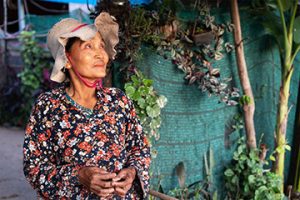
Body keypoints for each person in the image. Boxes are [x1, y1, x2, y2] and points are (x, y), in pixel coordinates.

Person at [23, 12, 151, 199]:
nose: (100, 53)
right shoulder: (48, 106)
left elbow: (139, 148)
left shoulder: (118, 101)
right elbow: (34, 167)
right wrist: (78, 175)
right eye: (88, 46)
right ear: (67, 60)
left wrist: (132, 172)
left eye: (101, 45)